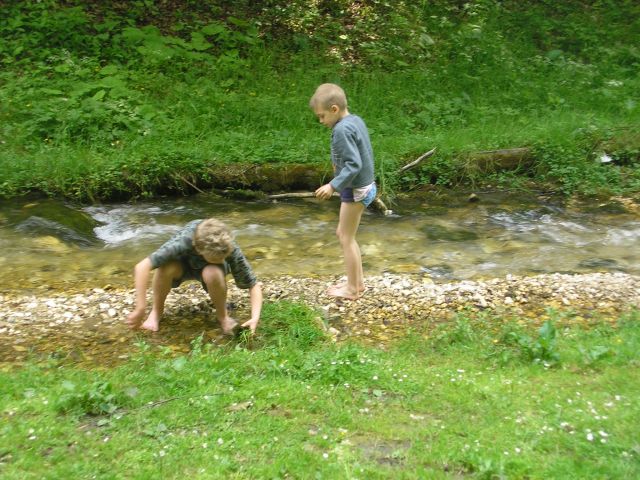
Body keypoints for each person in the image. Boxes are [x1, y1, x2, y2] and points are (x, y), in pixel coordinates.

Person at [126, 218, 262, 334]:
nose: (222, 260)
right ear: (197, 249)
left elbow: (253, 285)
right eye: (217, 258)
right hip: (182, 266)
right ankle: (156, 312)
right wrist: (141, 308)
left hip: (211, 271)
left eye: (223, 258)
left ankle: (223, 316)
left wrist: (255, 318)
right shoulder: (183, 241)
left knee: (212, 272)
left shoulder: (228, 246)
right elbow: (142, 267)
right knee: (165, 267)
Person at [310, 83, 376, 300]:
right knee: (347, 235)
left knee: (345, 237)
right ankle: (358, 283)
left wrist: (332, 185)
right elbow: (358, 154)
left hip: (356, 189)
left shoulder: (341, 129)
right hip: (365, 185)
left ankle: (352, 289)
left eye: (321, 116)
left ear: (334, 109)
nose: (321, 121)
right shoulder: (354, 120)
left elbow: (354, 164)